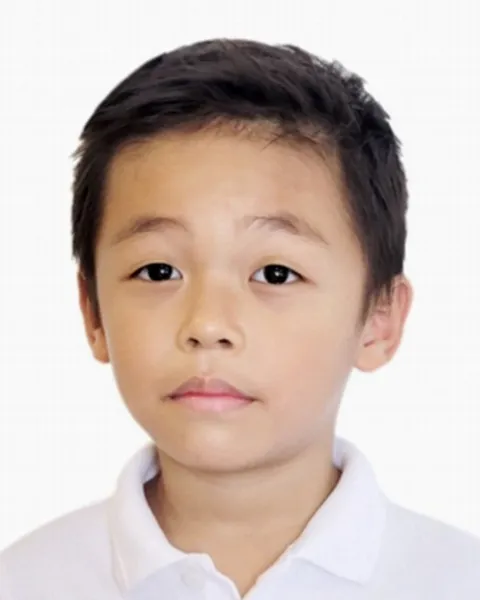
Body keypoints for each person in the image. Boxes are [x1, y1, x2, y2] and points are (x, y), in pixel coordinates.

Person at [1, 37, 479, 599]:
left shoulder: (457, 580)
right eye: (158, 271)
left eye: (275, 274)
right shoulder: (25, 581)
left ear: (380, 319)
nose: (207, 324)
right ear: (93, 313)